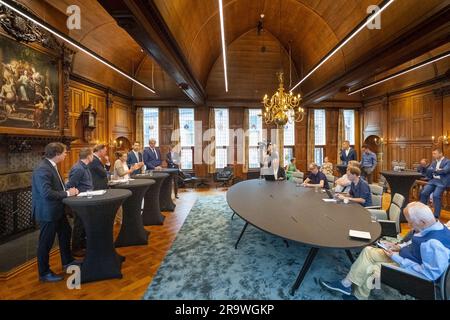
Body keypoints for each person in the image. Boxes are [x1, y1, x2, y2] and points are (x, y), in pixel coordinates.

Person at [320, 202, 450, 300]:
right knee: (368, 251)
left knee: (372, 268)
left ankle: (358, 297)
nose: (409, 226)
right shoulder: (430, 226)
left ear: (422, 221)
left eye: (410, 222)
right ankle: (346, 284)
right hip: (405, 258)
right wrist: (399, 246)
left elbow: (429, 275)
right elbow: (415, 242)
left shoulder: (435, 245)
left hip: (412, 272)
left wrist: (397, 258)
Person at [32, 142, 80, 282]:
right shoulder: (43, 169)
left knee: (65, 233)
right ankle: (44, 273)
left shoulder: (51, 166)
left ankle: (68, 261)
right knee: (45, 243)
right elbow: (47, 193)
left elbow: (55, 186)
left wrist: (66, 190)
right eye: (65, 152)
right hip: (48, 212)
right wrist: (67, 193)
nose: (66, 154)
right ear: (57, 154)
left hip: (57, 210)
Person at [66, 148, 94, 256]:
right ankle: (76, 248)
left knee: (83, 224)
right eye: (92, 155)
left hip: (86, 199)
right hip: (80, 201)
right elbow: (70, 185)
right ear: (88, 156)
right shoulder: (79, 169)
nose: (93, 157)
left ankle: (82, 245)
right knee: (79, 224)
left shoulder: (84, 167)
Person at [420, 148, 450, 218]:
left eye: (435, 153)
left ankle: (436, 215)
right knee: (424, 193)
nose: (433, 155)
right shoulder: (434, 162)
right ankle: (422, 212)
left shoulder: (447, 161)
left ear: (440, 154)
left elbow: (445, 171)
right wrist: (438, 170)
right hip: (433, 180)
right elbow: (428, 170)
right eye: (433, 154)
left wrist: (434, 170)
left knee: (436, 195)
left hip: (442, 182)